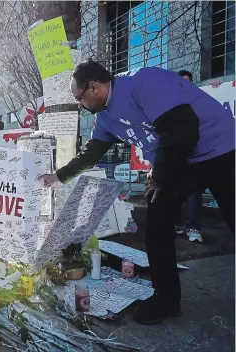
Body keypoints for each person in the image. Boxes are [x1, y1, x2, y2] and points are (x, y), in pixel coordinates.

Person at [39, 60, 235, 325]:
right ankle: (166, 299)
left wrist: (159, 174)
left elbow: (183, 128)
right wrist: (57, 176)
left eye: (79, 99)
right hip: (184, 161)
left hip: (222, 150)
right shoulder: (104, 118)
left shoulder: (144, 82)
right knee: (157, 219)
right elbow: (91, 154)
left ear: (94, 87)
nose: (80, 106)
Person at [174, 70, 203, 242]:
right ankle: (176, 224)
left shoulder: (197, 100)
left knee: (194, 191)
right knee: (174, 191)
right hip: (176, 154)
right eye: (182, 81)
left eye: (188, 82)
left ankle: (193, 228)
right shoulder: (168, 102)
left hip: (194, 153)